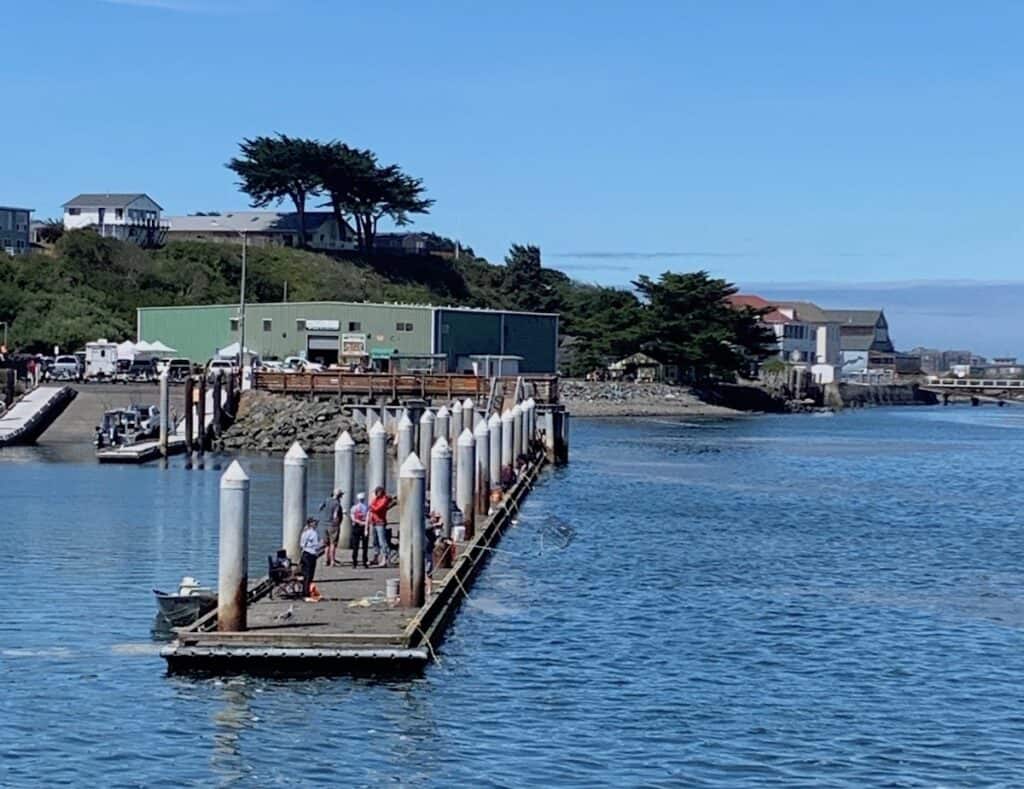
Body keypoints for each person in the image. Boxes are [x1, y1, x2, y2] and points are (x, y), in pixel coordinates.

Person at [369, 486, 396, 567]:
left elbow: (377, 508)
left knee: (382, 542)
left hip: (380, 522)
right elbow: (372, 505)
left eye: (379, 492)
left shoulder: (384, 499)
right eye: (377, 492)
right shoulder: (376, 499)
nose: (377, 494)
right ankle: (376, 557)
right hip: (374, 522)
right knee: (375, 541)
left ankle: (385, 558)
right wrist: (372, 506)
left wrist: (371, 506)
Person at [299, 517, 322, 599]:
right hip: (309, 555)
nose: (316, 524)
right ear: (310, 524)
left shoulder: (309, 532)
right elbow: (315, 546)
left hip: (308, 554)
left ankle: (306, 591)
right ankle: (305, 593)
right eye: (315, 522)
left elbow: (302, 544)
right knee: (308, 575)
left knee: (308, 575)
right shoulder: (311, 533)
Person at [323, 489, 343, 567]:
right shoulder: (337, 503)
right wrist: (337, 521)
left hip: (325, 524)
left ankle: (326, 560)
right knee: (333, 544)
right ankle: (332, 561)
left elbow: (321, 507)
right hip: (333, 526)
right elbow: (335, 514)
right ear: (339, 496)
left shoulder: (327, 500)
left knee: (327, 544)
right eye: (341, 495)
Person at [350, 492, 370, 569]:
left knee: (355, 546)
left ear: (357, 499)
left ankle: (354, 563)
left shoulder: (354, 508)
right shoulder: (367, 507)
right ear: (364, 499)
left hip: (356, 527)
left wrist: (359, 522)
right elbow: (368, 518)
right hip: (364, 526)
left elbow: (353, 518)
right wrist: (365, 527)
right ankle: (365, 562)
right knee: (365, 546)